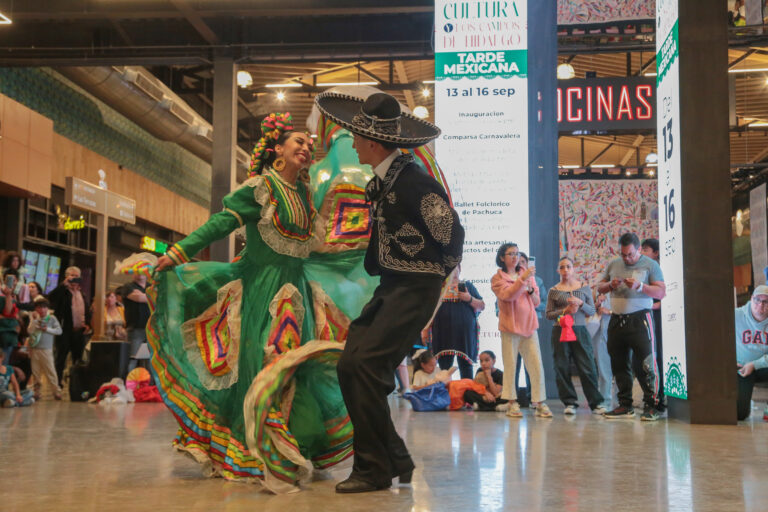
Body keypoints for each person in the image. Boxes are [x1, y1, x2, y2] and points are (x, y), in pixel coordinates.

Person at [151, 112, 378, 493]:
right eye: (298, 144)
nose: (306, 148)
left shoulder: (305, 195)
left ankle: (294, 443)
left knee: (295, 367)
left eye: (309, 144)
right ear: (277, 151)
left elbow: (326, 235)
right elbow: (219, 224)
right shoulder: (260, 188)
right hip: (260, 292)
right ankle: (261, 449)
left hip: (297, 295)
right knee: (264, 362)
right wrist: (177, 252)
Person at [315, 91, 464, 493]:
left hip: (413, 289)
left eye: (356, 137)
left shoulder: (414, 181)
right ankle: (390, 457)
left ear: (373, 144)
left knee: (362, 367)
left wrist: (433, 277)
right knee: (352, 366)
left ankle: (375, 466)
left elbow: (452, 235)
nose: (352, 142)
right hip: (392, 286)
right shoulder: (387, 179)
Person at [597, 233, 665, 421]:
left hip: (640, 319)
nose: (627, 258)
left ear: (638, 250)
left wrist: (641, 287)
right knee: (618, 363)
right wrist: (610, 285)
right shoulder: (614, 264)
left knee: (646, 363)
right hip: (617, 319)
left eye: (630, 255)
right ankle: (625, 405)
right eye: (623, 254)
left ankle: (654, 405)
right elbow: (599, 287)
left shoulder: (651, 265)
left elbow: (661, 291)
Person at [491, 243, 552, 419]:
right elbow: (508, 295)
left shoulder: (528, 275)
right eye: (511, 253)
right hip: (509, 328)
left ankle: (540, 403)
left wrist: (531, 288)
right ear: (502, 257)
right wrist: (522, 279)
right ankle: (511, 403)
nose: (515, 257)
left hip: (530, 326)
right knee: (510, 366)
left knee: (536, 364)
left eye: (517, 253)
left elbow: (536, 301)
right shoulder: (497, 278)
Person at [545, 257, 604, 415]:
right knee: (561, 366)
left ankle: (596, 403)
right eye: (562, 267)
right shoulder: (554, 290)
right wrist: (564, 312)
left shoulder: (584, 288)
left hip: (580, 329)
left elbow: (591, 311)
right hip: (560, 330)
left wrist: (581, 303)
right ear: (558, 270)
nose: (565, 270)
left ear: (573, 269)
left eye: (568, 267)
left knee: (588, 366)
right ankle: (569, 402)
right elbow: (549, 315)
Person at [431, 268, 485, 380]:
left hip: (464, 333)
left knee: (466, 367)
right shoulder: (438, 287)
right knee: (444, 368)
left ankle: (466, 395)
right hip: (442, 332)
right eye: (450, 269)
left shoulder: (467, 285)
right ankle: (446, 395)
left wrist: (469, 298)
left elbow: (481, 306)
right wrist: (425, 330)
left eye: (455, 268)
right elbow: (430, 310)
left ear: (460, 269)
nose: (453, 272)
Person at [48, 266, 91, 384]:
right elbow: (51, 298)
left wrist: (87, 324)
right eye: (71, 275)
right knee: (61, 357)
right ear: (66, 276)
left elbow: (86, 310)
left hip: (79, 331)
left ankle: (76, 383)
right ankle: (57, 383)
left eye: (76, 276)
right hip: (64, 330)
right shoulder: (63, 291)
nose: (74, 278)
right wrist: (63, 285)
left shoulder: (82, 292)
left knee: (78, 358)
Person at [514, 252, 544, 407]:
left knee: (532, 364)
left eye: (523, 261)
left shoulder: (536, 280)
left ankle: (534, 398)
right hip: (512, 327)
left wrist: (533, 306)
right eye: (517, 262)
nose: (520, 264)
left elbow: (542, 303)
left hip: (531, 326)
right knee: (514, 364)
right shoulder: (510, 279)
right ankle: (514, 400)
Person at [735, 285, 768, 420]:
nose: (760, 305)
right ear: (751, 299)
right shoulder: (736, 315)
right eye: (757, 300)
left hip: (763, 366)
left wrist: (754, 364)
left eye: (765, 302)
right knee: (740, 415)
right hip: (741, 368)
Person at [641, 238, 666, 412]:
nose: (642, 252)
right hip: (646, 316)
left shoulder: (662, 270)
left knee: (658, 356)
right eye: (641, 249)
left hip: (660, 318)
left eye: (646, 249)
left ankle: (659, 398)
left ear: (656, 253)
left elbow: (669, 293)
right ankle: (650, 396)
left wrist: (655, 305)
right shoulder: (644, 271)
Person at [26, 296, 62, 400]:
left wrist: (47, 329)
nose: (42, 310)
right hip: (34, 349)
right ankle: (37, 392)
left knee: (50, 371)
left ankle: (56, 392)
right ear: (36, 309)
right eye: (39, 307)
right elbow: (30, 332)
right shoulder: (35, 319)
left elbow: (59, 331)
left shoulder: (51, 318)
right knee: (35, 372)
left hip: (46, 349)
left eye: (44, 307)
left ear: (47, 308)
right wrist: (34, 321)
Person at [591, 291, 614, 409]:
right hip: (599, 332)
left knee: (622, 368)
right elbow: (588, 310)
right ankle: (605, 400)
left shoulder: (623, 289)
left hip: (617, 331)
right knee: (603, 368)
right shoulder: (598, 290)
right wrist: (597, 304)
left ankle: (624, 402)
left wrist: (609, 312)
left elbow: (630, 309)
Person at [122, 273, 148, 367]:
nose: (140, 273)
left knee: (151, 360)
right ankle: (128, 381)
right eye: (137, 271)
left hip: (151, 329)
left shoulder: (151, 286)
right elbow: (139, 298)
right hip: (135, 329)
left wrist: (143, 295)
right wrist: (149, 296)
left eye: (143, 270)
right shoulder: (128, 286)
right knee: (132, 359)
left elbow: (159, 298)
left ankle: (151, 381)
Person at [0, 271, 20, 365]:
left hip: (6, 336)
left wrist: (8, 294)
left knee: (3, 365)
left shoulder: (10, 296)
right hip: (6, 333)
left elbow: (9, 314)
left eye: (14, 280)